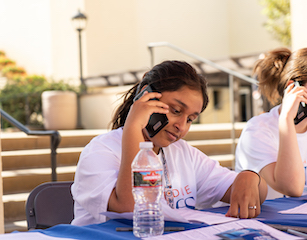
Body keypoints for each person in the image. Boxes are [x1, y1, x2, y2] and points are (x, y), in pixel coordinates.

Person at [71, 60, 268, 226]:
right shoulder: (100, 151)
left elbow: (254, 192)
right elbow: (131, 209)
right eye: (176, 111)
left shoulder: (182, 153)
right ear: (145, 96)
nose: (181, 126)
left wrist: (250, 178)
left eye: (190, 119)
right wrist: (133, 128)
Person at [235, 47, 307, 199]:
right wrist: (287, 120)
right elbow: (292, 188)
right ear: (293, 88)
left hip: (303, 217)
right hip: (263, 221)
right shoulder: (258, 131)